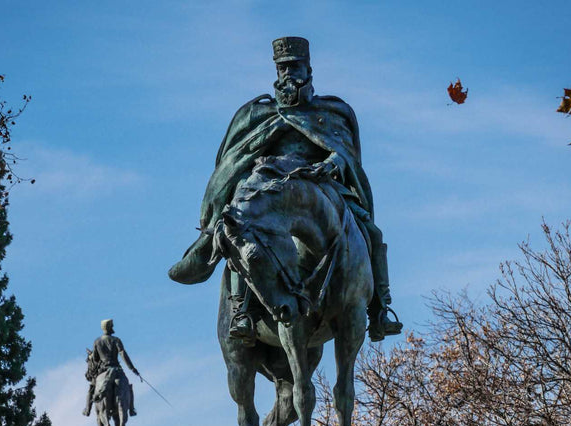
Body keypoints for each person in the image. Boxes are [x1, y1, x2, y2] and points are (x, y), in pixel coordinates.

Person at [169, 37, 402, 342]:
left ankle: (379, 309)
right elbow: (233, 160)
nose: (288, 74)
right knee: (243, 233)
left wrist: (333, 162)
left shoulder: (332, 112)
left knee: (371, 232)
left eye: (294, 67)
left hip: (321, 188)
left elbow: (345, 152)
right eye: (282, 68)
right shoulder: (256, 114)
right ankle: (242, 309)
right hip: (269, 192)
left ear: (308, 70)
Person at [84, 319, 141, 417]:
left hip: (103, 370)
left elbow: (96, 359)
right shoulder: (116, 340)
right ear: (110, 328)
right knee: (128, 387)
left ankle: (87, 409)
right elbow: (123, 355)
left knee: (92, 388)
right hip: (117, 369)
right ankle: (131, 409)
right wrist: (132, 368)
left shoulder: (97, 341)